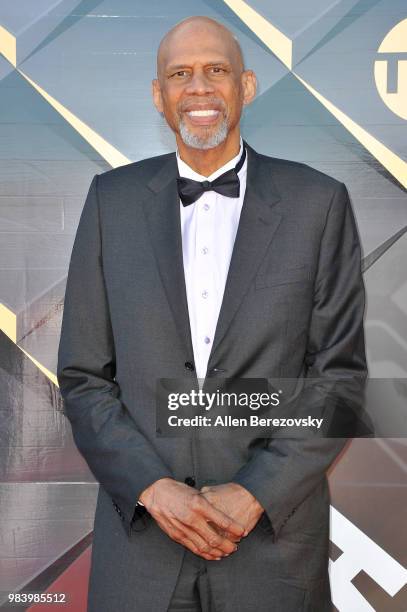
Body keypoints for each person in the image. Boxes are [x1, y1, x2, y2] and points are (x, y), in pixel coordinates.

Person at [57, 15, 367, 612]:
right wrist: (152, 488)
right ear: (158, 95)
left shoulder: (318, 202)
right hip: (142, 547)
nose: (199, 87)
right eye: (180, 74)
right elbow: (83, 376)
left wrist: (257, 493)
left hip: (272, 550)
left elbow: (340, 379)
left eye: (216, 70)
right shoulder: (110, 203)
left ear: (246, 86)